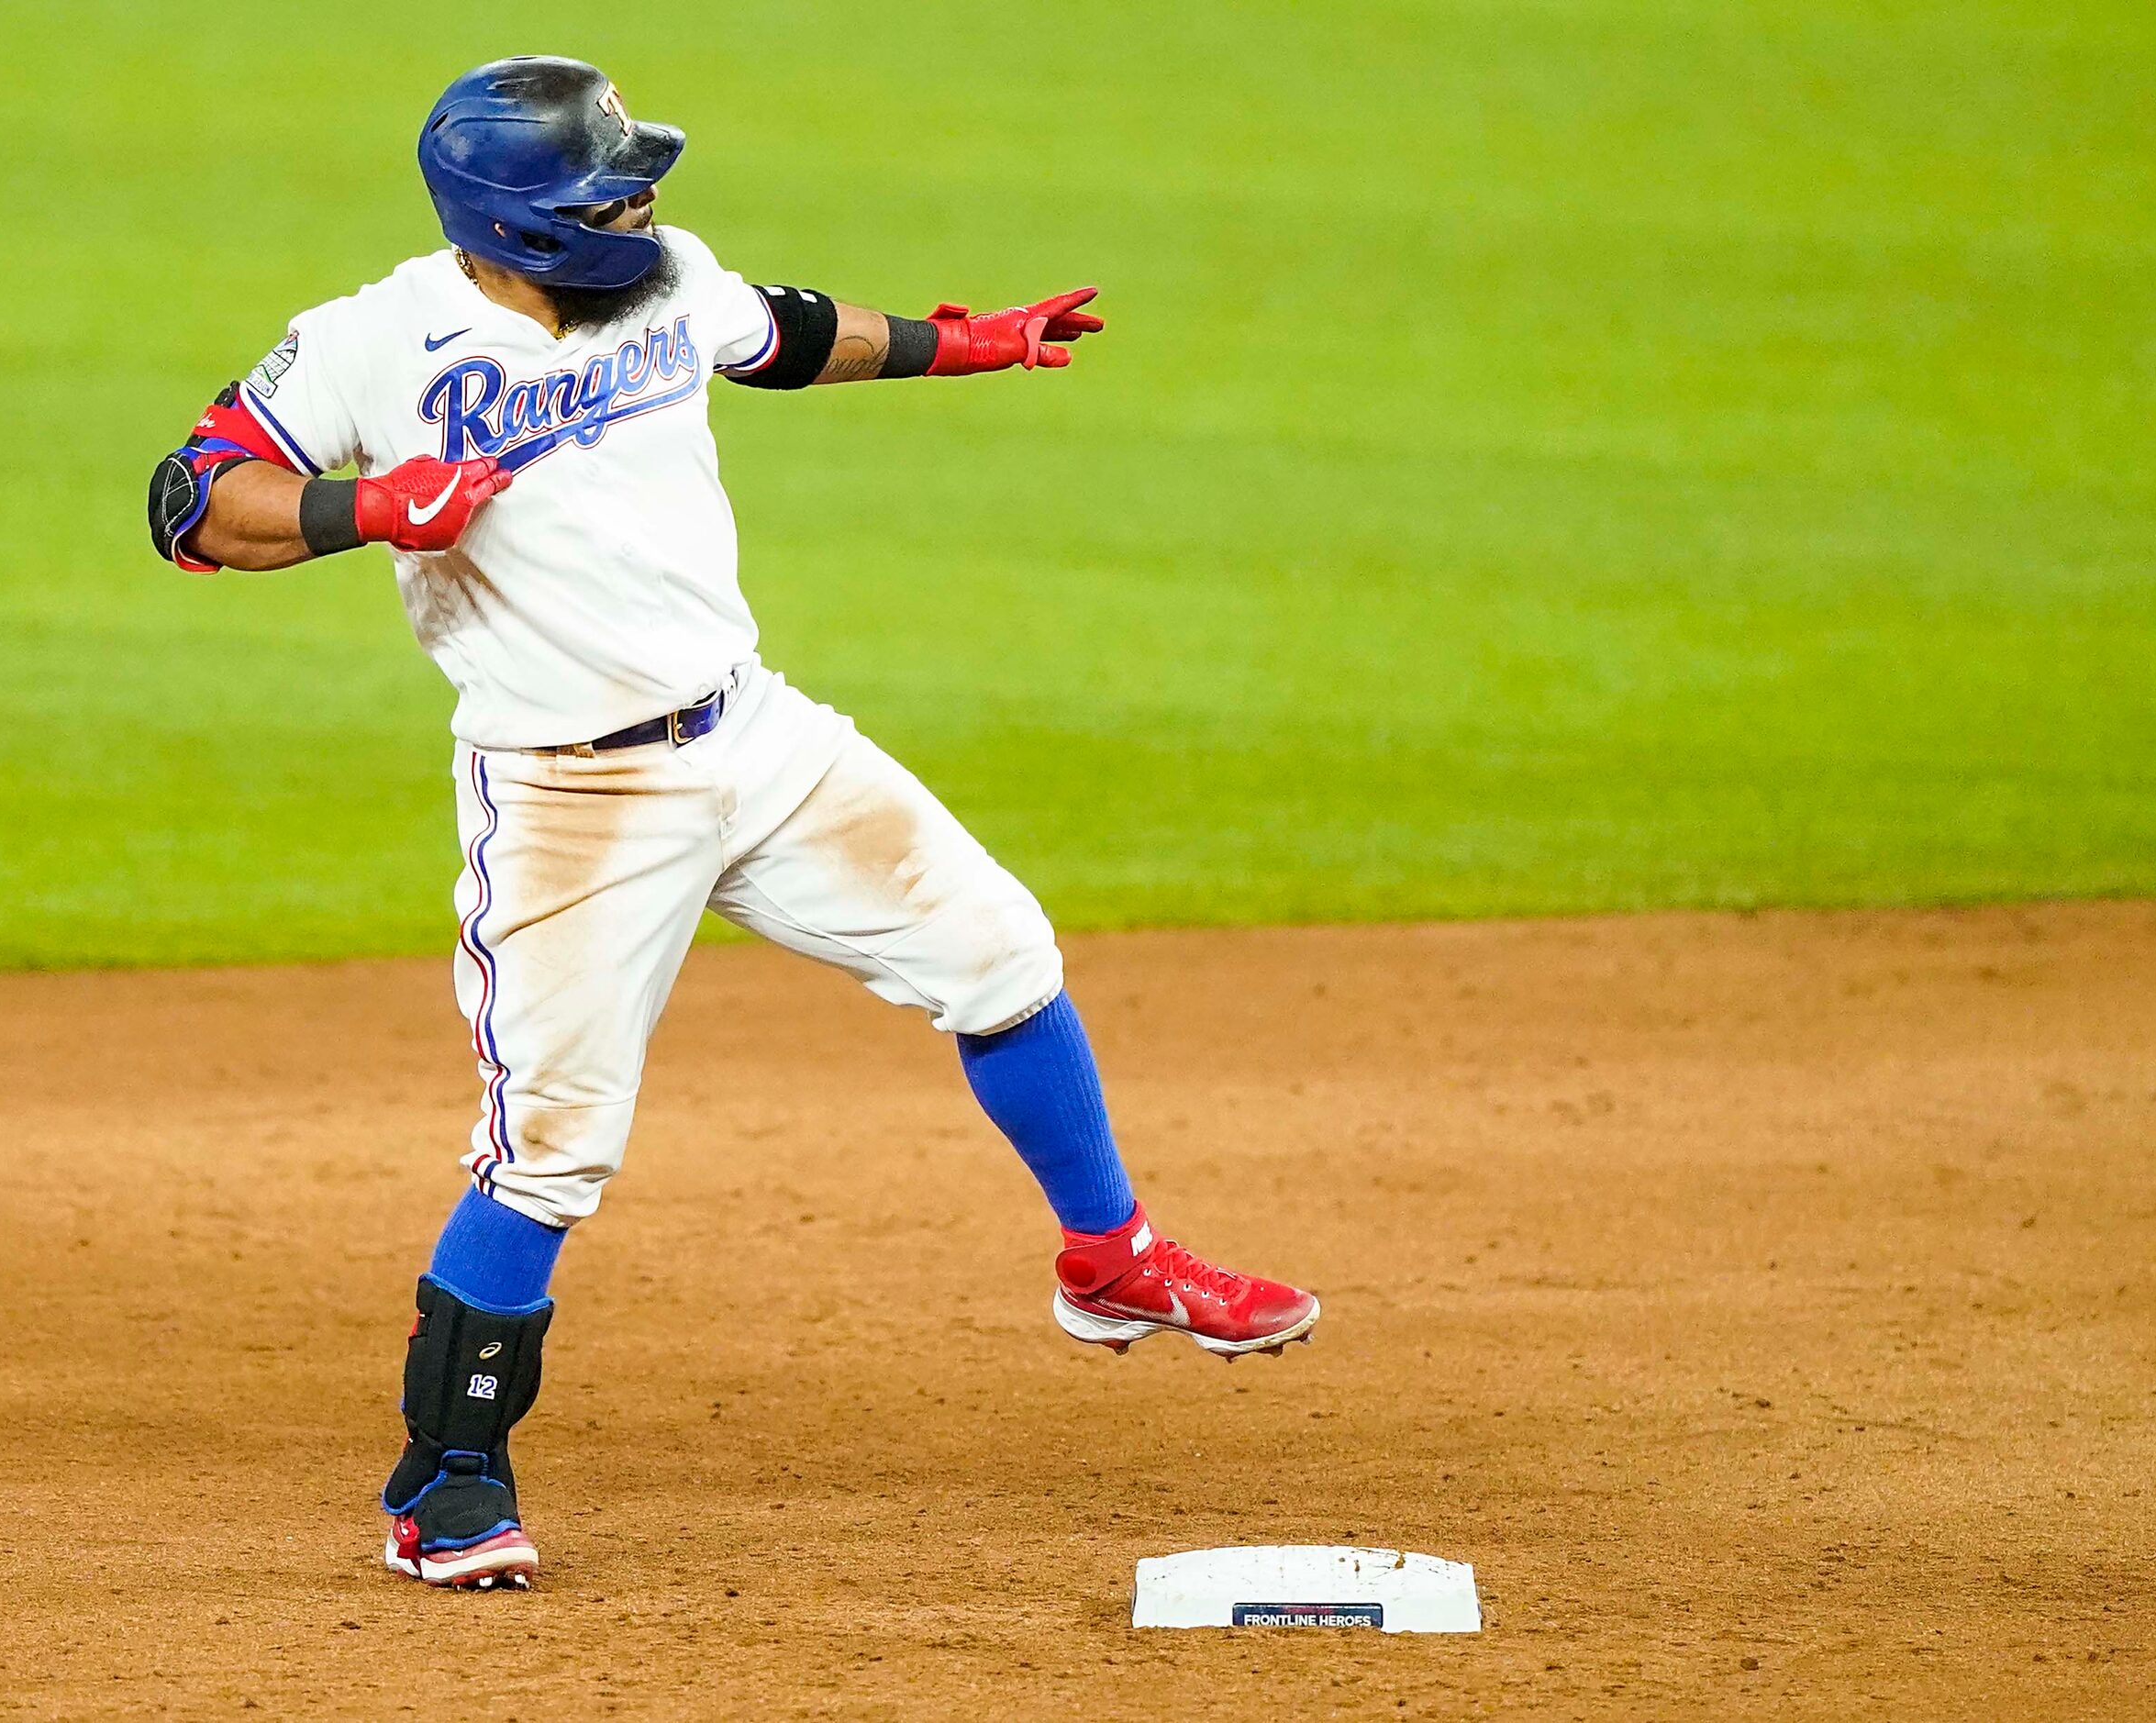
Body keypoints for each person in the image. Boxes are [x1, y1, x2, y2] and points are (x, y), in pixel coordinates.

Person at [148, 55, 1319, 1593]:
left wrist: (968, 342)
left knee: (1000, 950)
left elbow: (786, 334)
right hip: (571, 796)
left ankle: (1109, 1259)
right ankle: (443, 1481)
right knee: (548, 1150)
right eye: (609, 189)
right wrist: (367, 510)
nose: (643, 207)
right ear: (514, 214)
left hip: (752, 734)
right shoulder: (372, 343)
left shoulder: (670, 280)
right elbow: (192, 499)